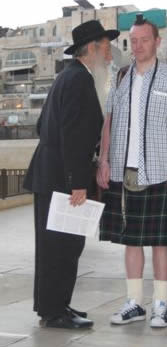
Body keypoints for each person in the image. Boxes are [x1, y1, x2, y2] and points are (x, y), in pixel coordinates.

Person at [97, 14, 167, 328]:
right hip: (125, 170)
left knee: (161, 241)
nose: (137, 46)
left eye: (143, 40)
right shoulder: (121, 77)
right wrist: (104, 160)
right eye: (133, 40)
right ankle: (134, 303)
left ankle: (161, 305)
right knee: (131, 241)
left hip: (162, 169)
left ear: (157, 42)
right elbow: (108, 121)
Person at [24, 20, 119, 329]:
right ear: (91, 48)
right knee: (61, 247)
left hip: (52, 174)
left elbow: (44, 128)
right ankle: (54, 311)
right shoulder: (79, 81)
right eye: (105, 47)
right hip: (63, 180)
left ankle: (54, 305)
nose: (109, 53)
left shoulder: (68, 77)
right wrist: (77, 183)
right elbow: (73, 136)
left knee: (58, 246)